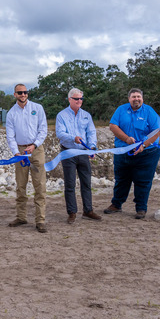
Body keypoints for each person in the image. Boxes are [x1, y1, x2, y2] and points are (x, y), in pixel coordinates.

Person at [104, 88, 160, 219]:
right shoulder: (121, 109)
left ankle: (141, 208)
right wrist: (126, 139)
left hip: (146, 153)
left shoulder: (149, 111)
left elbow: (157, 131)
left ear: (142, 98)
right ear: (129, 99)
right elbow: (113, 126)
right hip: (123, 151)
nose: (136, 99)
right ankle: (116, 204)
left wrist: (144, 145)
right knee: (121, 179)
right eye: (133, 97)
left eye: (138, 97)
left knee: (143, 181)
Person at [5, 84, 49, 233]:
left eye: (25, 92)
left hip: (36, 150)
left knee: (40, 186)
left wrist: (35, 145)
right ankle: (21, 217)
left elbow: (43, 129)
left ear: (27, 94)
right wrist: (16, 152)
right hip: (20, 152)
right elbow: (10, 135)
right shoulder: (11, 113)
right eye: (20, 93)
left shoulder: (38, 108)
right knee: (21, 186)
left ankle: (40, 220)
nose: (23, 95)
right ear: (15, 94)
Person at [55, 88, 102, 224]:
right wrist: (72, 138)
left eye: (81, 99)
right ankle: (72, 212)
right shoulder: (61, 115)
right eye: (76, 99)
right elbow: (60, 133)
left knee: (86, 183)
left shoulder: (86, 115)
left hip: (83, 152)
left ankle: (88, 210)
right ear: (70, 99)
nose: (79, 101)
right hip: (68, 152)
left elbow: (91, 132)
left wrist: (92, 147)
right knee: (70, 184)